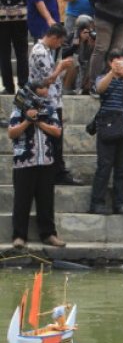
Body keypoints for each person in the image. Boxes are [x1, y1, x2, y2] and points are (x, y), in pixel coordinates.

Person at [8, 81, 66, 248]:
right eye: (43, 88)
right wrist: (27, 120)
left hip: (46, 160)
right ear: (34, 91)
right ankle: (19, 236)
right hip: (24, 162)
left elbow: (57, 131)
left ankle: (48, 234)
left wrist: (38, 122)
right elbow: (12, 132)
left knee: (46, 201)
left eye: (47, 87)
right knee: (22, 201)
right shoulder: (19, 108)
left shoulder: (50, 108)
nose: (46, 90)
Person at [89, 49, 123, 214]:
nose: (122, 65)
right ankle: (97, 203)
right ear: (110, 62)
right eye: (119, 62)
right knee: (104, 166)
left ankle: (120, 203)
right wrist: (112, 72)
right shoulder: (103, 78)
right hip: (108, 126)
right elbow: (99, 89)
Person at [28, 24, 79, 186]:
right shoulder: (40, 52)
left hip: (53, 101)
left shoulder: (45, 51)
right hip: (46, 103)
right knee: (54, 140)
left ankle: (57, 172)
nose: (59, 46)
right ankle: (57, 173)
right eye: (60, 42)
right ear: (54, 37)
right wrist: (60, 67)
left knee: (56, 140)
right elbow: (45, 81)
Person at [0, 0, 31, 94]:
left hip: (2, 17)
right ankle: (24, 84)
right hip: (22, 15)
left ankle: (8, 86)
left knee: (4, 52)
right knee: (21, 51)